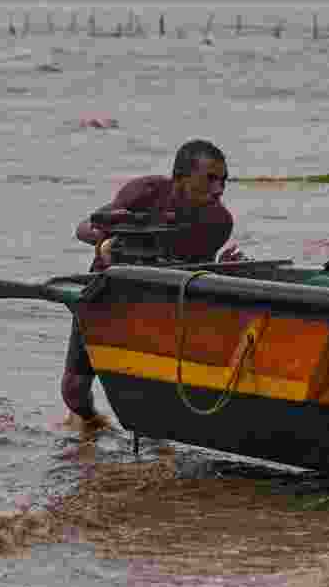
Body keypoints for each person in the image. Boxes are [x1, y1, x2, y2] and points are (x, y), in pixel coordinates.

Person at [62, 139, 245, 425]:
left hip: (161, 302)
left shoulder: (219, 221)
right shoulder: (145, 191)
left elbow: (197, 273)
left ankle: (156, 439)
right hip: (106, 292)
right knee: (73, 391)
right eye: (209, 179)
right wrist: (108, 240)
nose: (219, 189)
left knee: (155, 386)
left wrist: (224, 270)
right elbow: (84, 228)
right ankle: (92, 424)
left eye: (223, 181)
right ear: (180, 177)